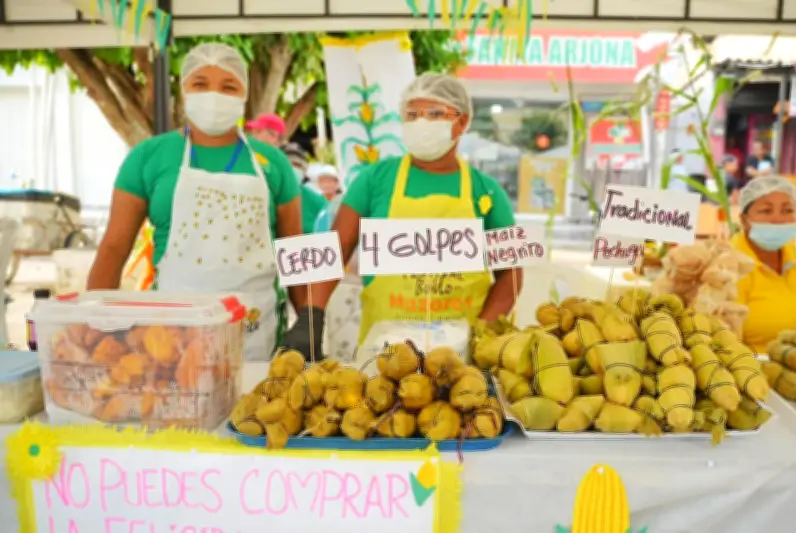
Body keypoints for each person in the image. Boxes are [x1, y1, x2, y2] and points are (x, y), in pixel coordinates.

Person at [88, 43, 305, 360]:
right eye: (200, 84)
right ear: (184, 89)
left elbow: (295, 250)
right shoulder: (148, 157)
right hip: (169, 338)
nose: (214, 95)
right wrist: (93, 325)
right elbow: (114, 247)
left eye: (228, 86)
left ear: (243, 96)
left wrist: (311, 320)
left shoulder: (273, 163)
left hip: (256, 336)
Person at [281, 72, 521, 358]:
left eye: (435, 114)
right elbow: (336, 247)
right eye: (412, 114)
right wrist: (311, 316)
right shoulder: (375, 179)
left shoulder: (488, 191)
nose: (422, 123)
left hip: (458, 355)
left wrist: (481, 334)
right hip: (384, 352)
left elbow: (511, 274)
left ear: (463, 121)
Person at [732, 175, 796, 352]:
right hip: (751, 371)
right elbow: (722, 341)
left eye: (787, 210)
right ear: (744, 220)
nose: (778, 219)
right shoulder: (728, 267)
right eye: (766, 211)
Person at [282, 143, 328, 234]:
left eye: (298, 165)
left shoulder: (316, 201)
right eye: (289, 164)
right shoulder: (269, 196)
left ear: (304, 171)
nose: (293, 168)